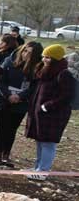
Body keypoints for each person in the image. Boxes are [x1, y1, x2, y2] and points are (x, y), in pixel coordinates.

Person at [25, 44, 75, 180]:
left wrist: (48, 106)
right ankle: (38, 167)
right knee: (40, 141)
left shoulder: (64, 74)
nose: (45, 60)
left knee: (48, 143)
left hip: (54, 115)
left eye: (48, 57)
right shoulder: (45, 71)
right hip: (41, 114)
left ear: (56, 58)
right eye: (44, 57)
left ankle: (43, 171)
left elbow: (67, 96)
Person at [0, 42, 42, 167]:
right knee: (0, 128)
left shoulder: (36, 67)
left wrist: (20, 96)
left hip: (21, 102)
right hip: (3, 99)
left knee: (11, 129)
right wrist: (8, 95)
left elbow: (34, 86)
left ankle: (6, 155)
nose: (26, 55)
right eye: (25, 51)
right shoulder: (9, 61)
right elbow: (0, 80)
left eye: (30, 53)